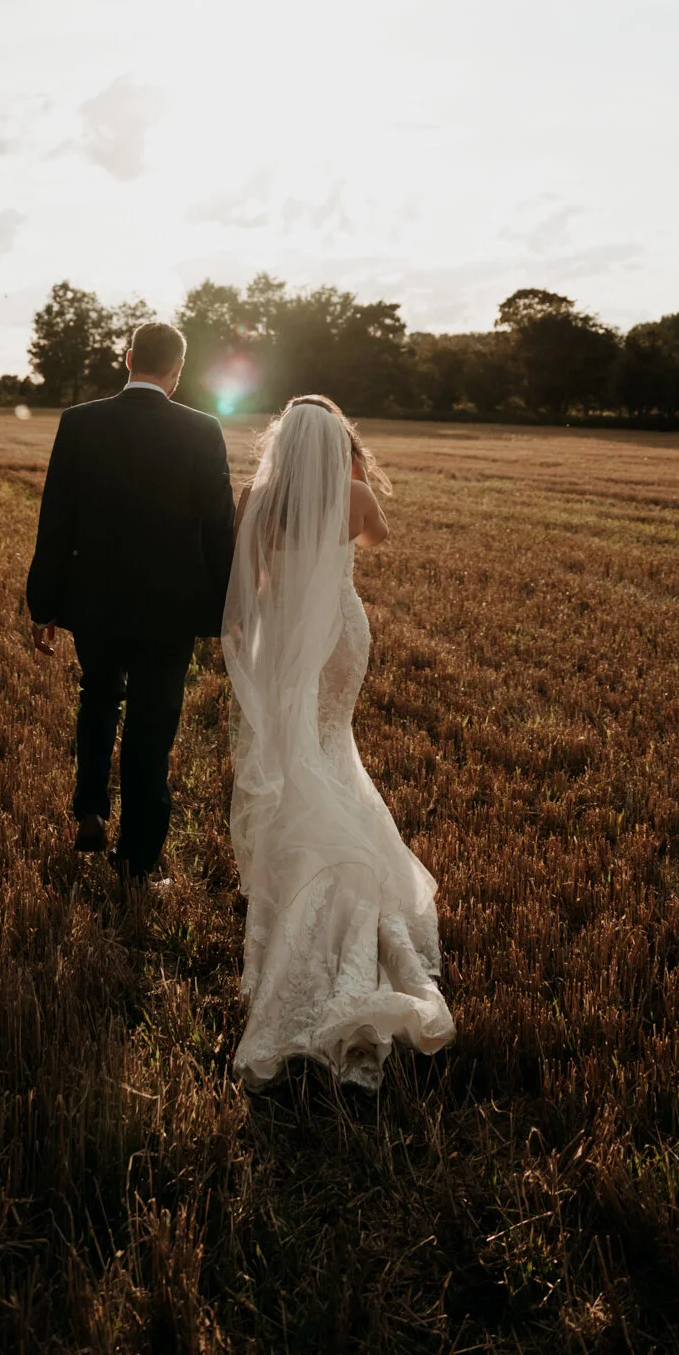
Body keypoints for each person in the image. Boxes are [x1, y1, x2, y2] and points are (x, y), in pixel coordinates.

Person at [223, 395, 455, 1088]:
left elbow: (247, 588)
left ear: (280, 444)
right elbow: (376, 539)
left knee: (299, 754)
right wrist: (347, 474)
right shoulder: (354, 494)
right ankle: (349, 873)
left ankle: (305, 868)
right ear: (338, 447)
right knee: (333, 745)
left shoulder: (255, 499)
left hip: (288, 637)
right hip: (342, 637)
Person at [26, 320, 235, 881]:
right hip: (169, 610)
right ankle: (137, 858)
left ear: (127, 358)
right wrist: (226, 609)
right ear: (178, 370)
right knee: (151, 726)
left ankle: (91, 807)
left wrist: (43, 604)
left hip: (94, 601)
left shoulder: (80, 423)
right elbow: (219, 528)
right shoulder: (203, 430)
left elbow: (56, 520)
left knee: (97, 697)